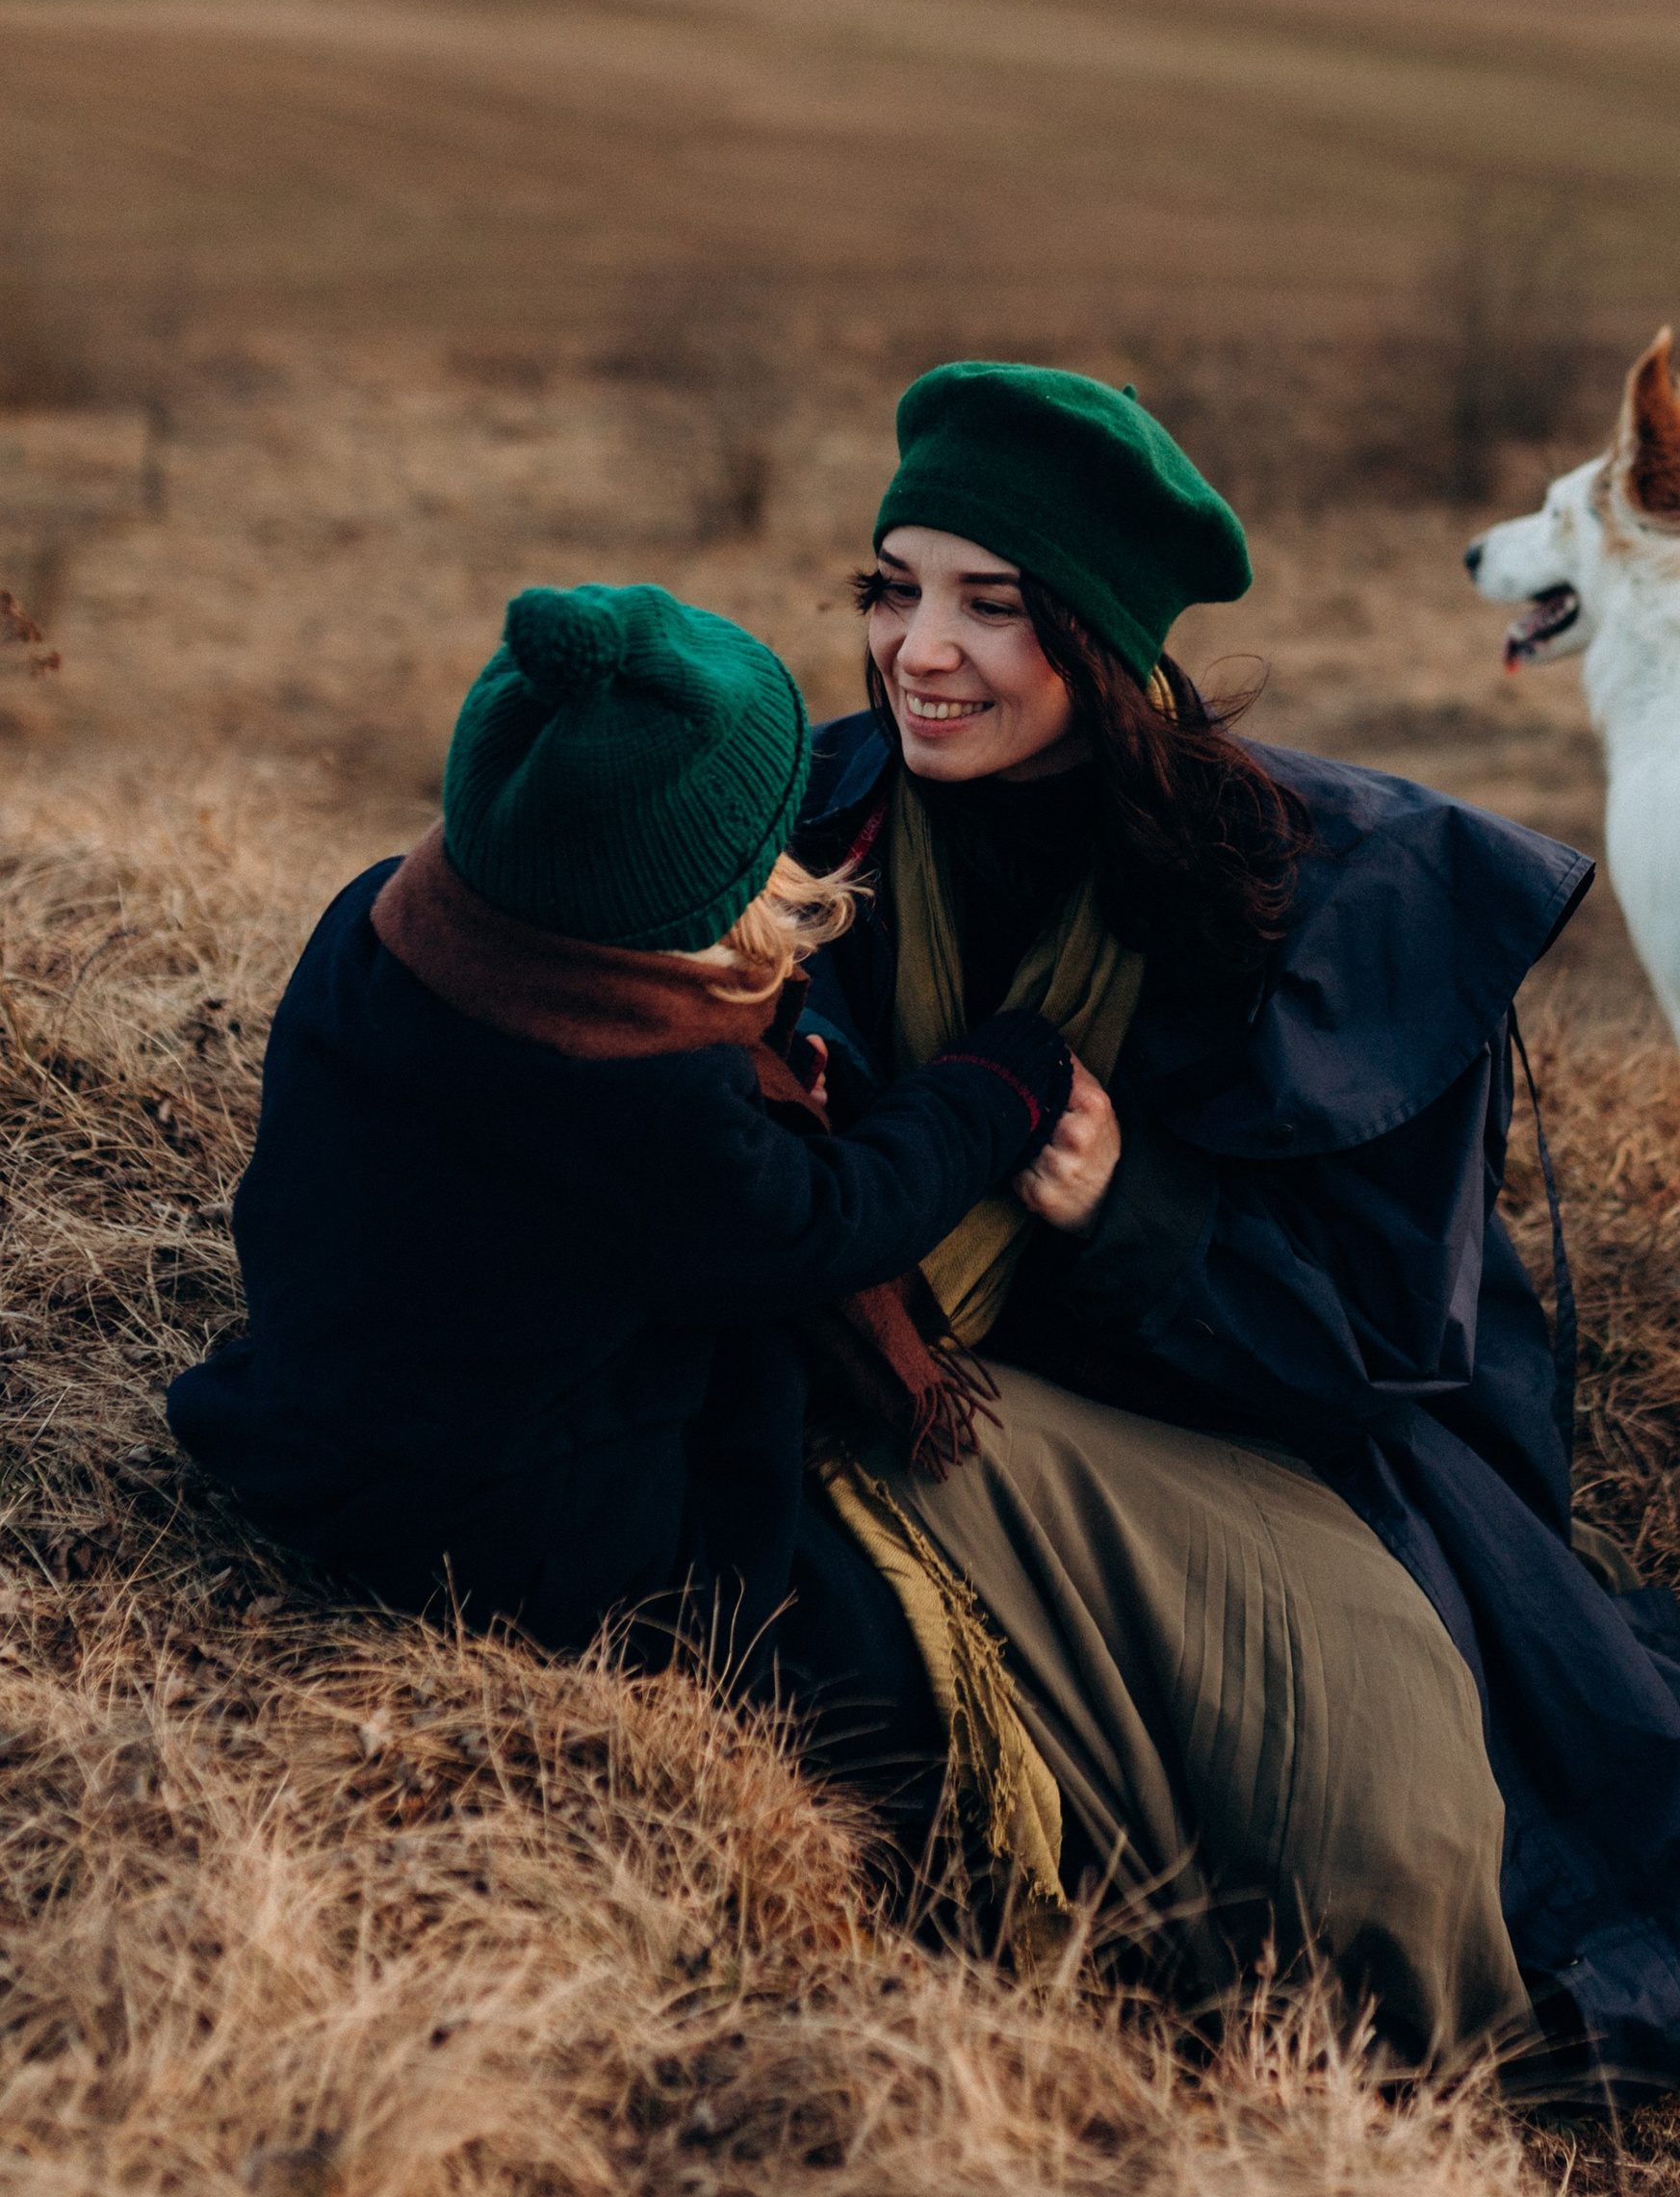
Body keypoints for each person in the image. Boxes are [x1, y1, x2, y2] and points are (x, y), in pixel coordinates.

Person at [790, 360, 1680, 2095]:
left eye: (992, 604)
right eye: (894, 591)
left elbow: (1377, 1344)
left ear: (1100, 637)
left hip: (1275, 1457)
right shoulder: (822, 820)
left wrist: (1130, 1207)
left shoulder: (1312, 898)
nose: (922, 652)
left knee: (1378, 1853)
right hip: (917, 1403)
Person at [165, 581, 1091, 1811]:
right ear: (695, 898)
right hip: (502, 1532)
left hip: (324, 1410)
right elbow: (841, 1214)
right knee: (864, 1690)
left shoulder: (382, 920)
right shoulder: (646, 1114)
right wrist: (999, 1080)